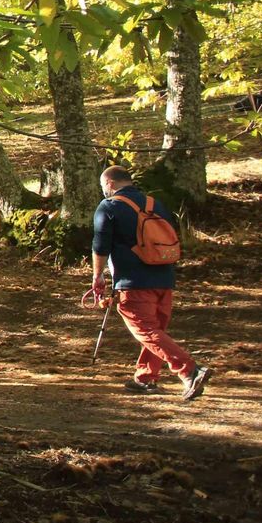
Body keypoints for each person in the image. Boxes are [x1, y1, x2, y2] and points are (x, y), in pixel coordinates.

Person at [92, 166, 211, 399]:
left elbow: (100, 246)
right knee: (156, 331)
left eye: (103, 186)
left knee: (145, 330)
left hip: (133, 282)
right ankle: (146, 377)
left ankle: (189, 370)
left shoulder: (109, 207)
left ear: (109, 184)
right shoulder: (154, 204)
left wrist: (98, 276)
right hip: (164, 277)